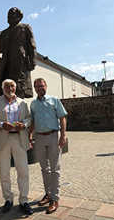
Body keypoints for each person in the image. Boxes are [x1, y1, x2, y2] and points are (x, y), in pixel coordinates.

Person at [0, 79, 33, 215]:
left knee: (23, 171)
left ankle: (24, 200)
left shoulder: (23, 102)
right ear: (3, 88)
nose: (10, 88)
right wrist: (1, 125)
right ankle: (8, 199)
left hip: (19, 139)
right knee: (4, 171)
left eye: (12, 86)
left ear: (15, 87)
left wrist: (23, 124)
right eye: (7, 86)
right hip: (2, 139)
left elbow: (29, 118)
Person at [30, 78, 67, 214]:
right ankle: (48, 194)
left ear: (46, 86)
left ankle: (55, 199)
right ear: (35, 88)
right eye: (37, 86)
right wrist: (30, 135)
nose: (40, 88)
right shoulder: (33, 104)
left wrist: (63, 135)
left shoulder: (54, 100)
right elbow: (33, 121)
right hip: (39, 137)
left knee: (55, 169)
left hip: (53, 136)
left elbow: (62, 117)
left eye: (42, 85)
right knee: (44, 168)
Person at [0, 7, 36, 99]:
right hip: (6, 63)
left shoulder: (25, 28)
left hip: (20, 62)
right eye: (8, 16)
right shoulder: (4, 33)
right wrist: (0, 39)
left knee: (19, 86)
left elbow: (32, 45)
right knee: (6, 86)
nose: (9, 18)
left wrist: (32, 61)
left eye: (12, 15)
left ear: (19, 16)